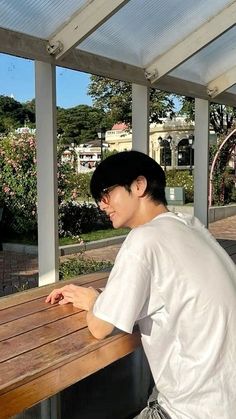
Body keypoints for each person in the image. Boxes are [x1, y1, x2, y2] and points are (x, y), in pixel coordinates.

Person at [46, 150, 236, 419]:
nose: (102, 205)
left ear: (138, 185)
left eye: (105, 194)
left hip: (191, 410)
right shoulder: (192, 226)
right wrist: (100, 299)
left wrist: (94, 302)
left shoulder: (144, 239)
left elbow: (100, 327)